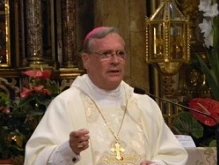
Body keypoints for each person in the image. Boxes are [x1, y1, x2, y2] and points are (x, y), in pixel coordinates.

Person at [24, 26, 188, 165]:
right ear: (86, 60)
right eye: (105, 54)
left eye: (120, 53)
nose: (115, 60)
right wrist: (69, 149)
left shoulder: (144, 103)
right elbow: (36, 158)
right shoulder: (65, 104)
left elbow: (173, 155)